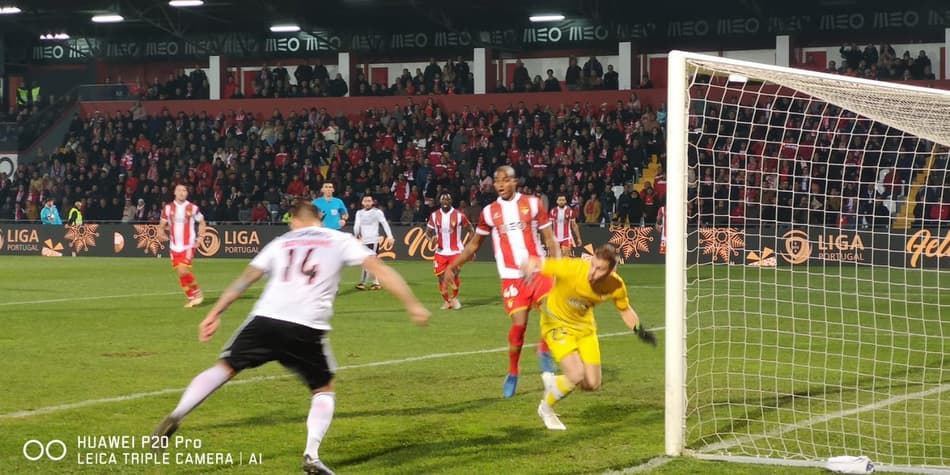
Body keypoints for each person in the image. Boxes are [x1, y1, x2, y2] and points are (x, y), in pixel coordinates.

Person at [152, 201, 431, 475]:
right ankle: (311, 454)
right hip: (305, 325)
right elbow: (380, 269)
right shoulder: (338, 239)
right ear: (317, 219)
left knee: (225, 367)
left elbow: (245, 280)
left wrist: (214, 312)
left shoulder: (281, 242)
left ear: (296, 220)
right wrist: (412, 303)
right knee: (323, 389)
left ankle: (178, 412)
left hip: (264, 319)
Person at [442, 166, 561, 398]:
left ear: (515, 181)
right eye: (497, 181)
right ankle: (513, 372)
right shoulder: (489, 212)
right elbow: (474, 245)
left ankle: (544, 353)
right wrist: (454, 266)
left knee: (551, 312)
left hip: (538, 270)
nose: (501, 184)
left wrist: (557, 267)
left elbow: (550, 238)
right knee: (519, 326)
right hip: (510, 277)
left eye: (506, 180)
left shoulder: (534, 204)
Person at [521, 244, 657, 430]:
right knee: (576, 374)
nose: (592, 272)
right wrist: (528, 270)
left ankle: (556, 383)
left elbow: (624, 309)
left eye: (599, 269)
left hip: (585, 329)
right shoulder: (572, 268)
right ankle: (546, 409)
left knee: (592, 383)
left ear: (611, 270)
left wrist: (640, 329)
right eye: (592, 264)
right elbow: (534, 262)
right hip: (556, 323)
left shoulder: (615, 286)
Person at [160, 184, 207, 308]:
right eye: (180, 190)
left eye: (185, 190)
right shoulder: (168, 208)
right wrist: (163, 234)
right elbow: (161, 226)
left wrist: (200, 238)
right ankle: (191, 297)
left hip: (188, 245)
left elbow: (202, 223)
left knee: (183, 269)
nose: (182, 192)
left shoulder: (193, 208)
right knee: (181, 274)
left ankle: (198, 293)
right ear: (174, 192)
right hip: (174, 246)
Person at [426, 192, 474, 310]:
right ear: (440, 201)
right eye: (443, 200)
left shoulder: (459, 215)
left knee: (453, 275)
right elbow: (428, 232)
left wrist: (470, 248)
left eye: (448, 200)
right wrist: (431, 239)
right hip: (441, 252)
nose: (445, 202)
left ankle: (455, 298)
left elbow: (471, 230)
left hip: (456, 251)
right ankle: (447, 301)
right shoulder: (434, 215)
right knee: (441, 278)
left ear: (451, 201)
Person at [353, 195, 394, 290]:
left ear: (372, 202)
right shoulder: (359, 213)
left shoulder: (377, 212)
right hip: (363, 241)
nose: (367, 203)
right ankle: (376, 283)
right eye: (365, 201)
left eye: (369, 201)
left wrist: (390, 236)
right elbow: (357, 225)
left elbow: (384, 223)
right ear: (362, 202)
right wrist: (356, 235)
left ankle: (364, 283)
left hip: (373, 241)